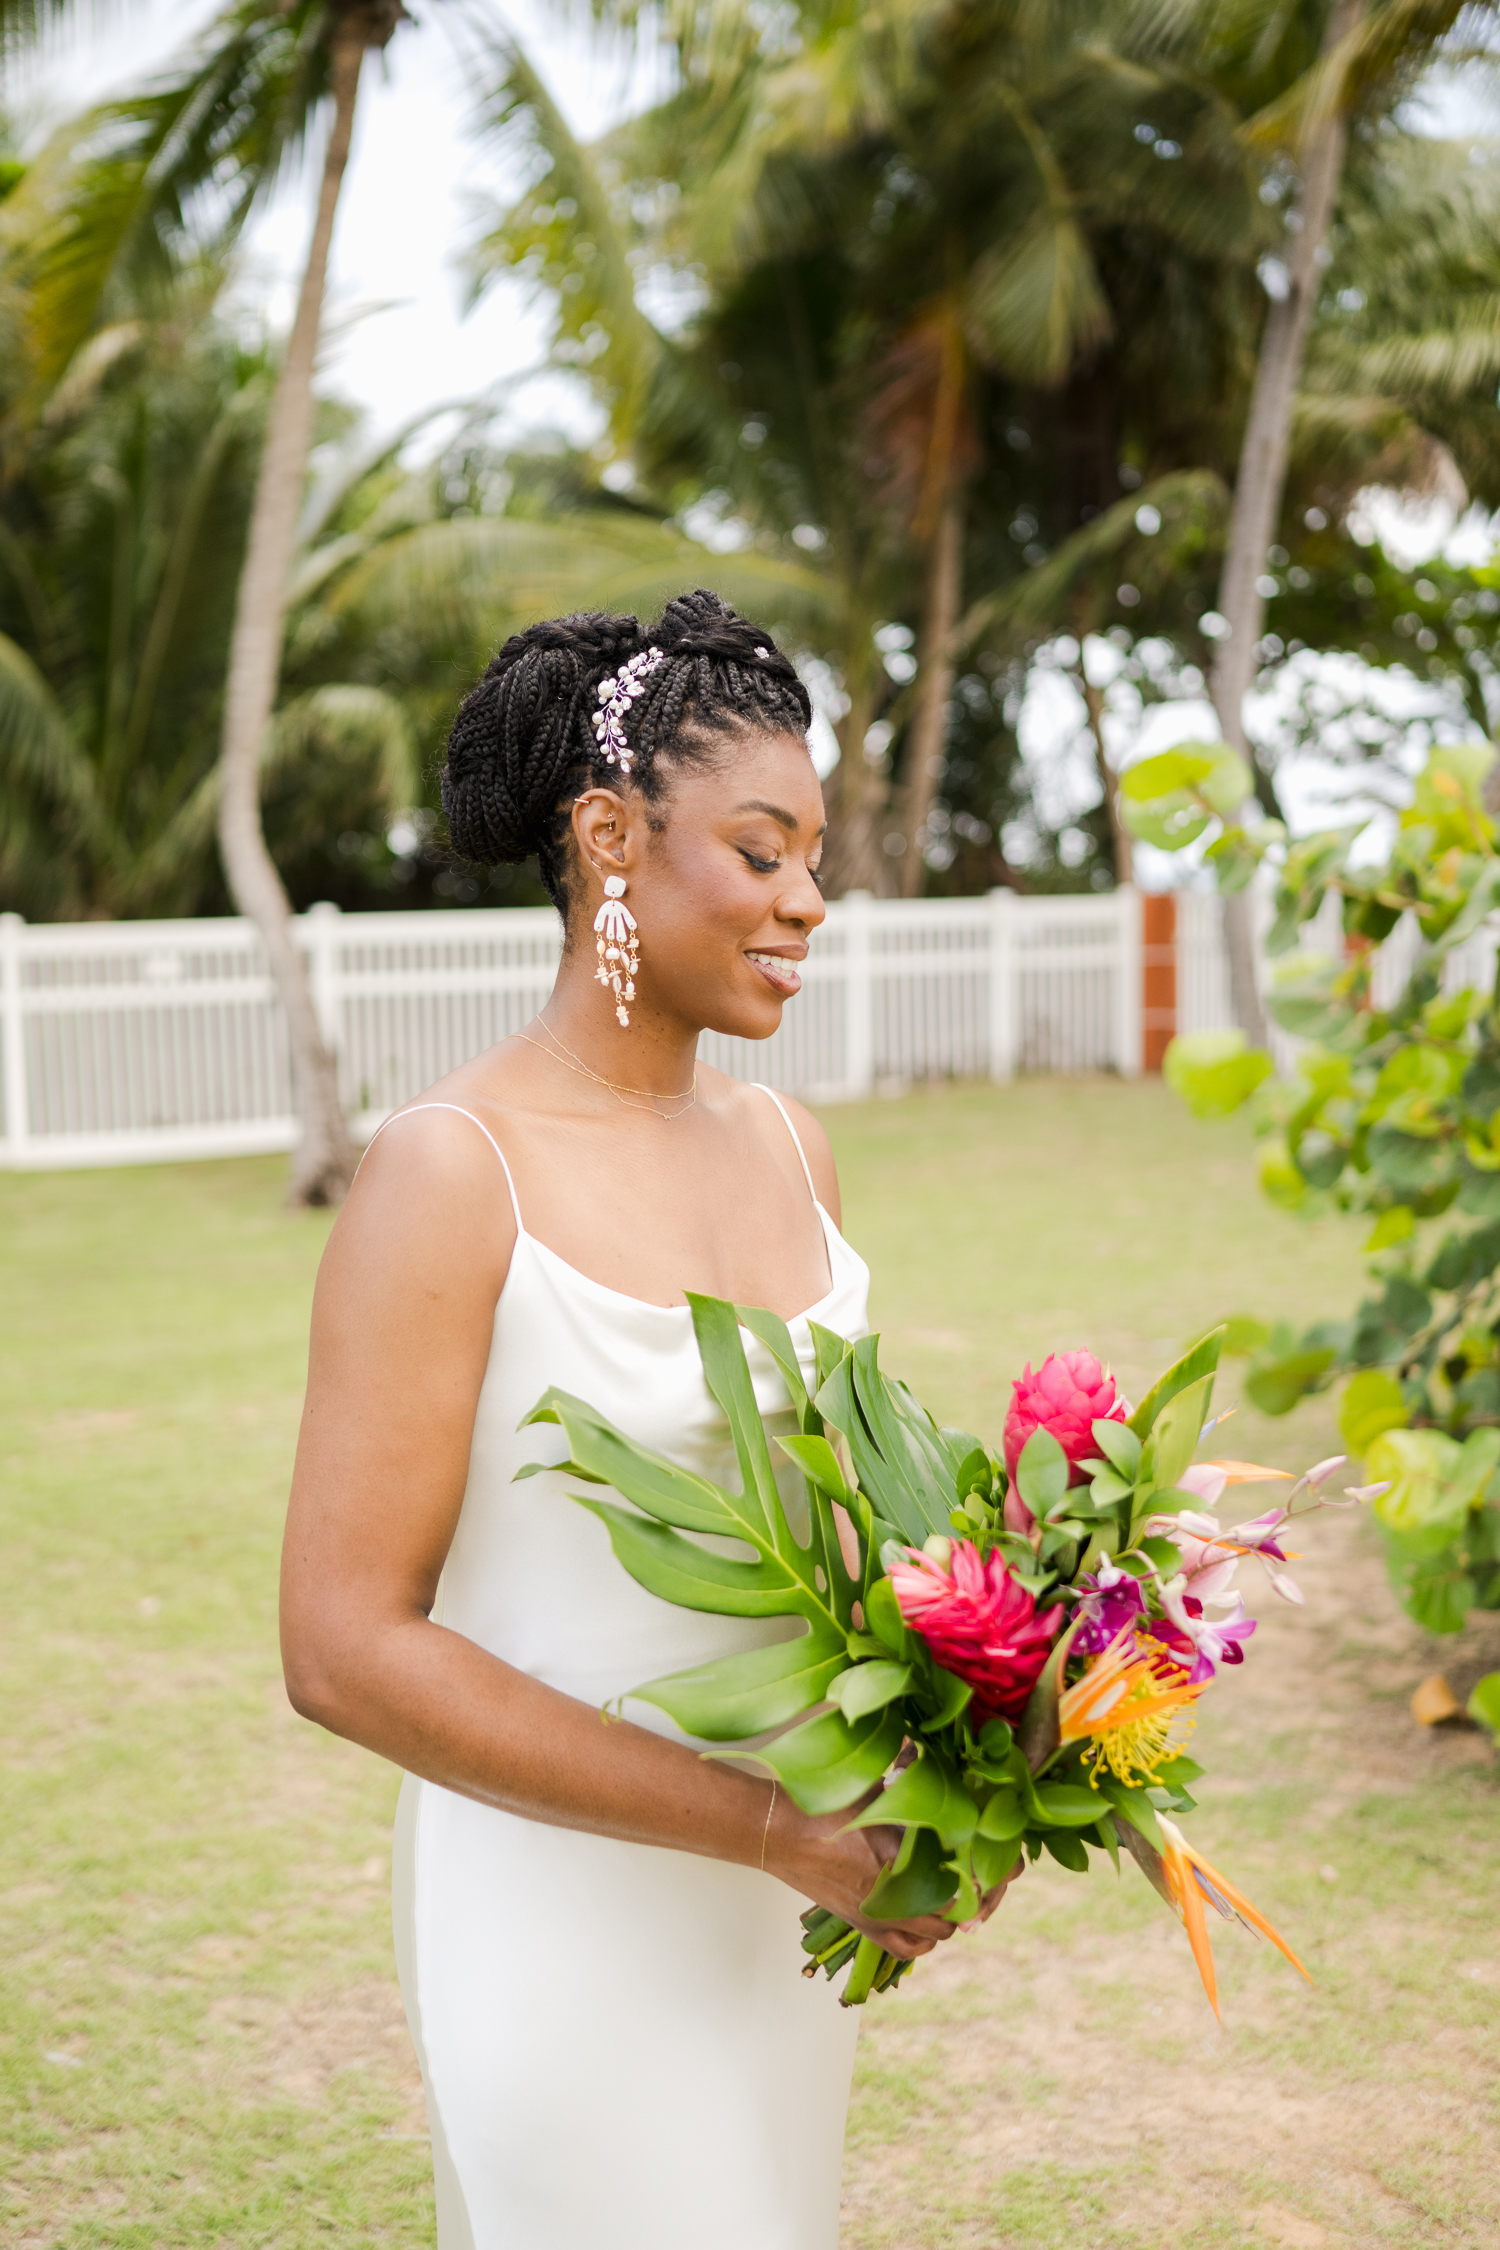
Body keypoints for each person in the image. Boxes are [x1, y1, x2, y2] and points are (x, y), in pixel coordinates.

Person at [279, 590, 1017, 2250]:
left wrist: (965, 1760)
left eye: (814, 855)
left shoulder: (791, 1153)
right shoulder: (448, 1175)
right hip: (558, 1911)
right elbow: (340, 1644)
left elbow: (836, 1549)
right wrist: (769, 1825)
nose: (807, 900)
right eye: (761, 852)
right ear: (609, 836)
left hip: (778, 1922)